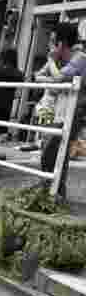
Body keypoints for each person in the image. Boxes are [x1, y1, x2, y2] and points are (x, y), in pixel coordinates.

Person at [36, 23, 86, 180]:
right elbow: (38, 76)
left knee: (53, 153)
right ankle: (53, 191)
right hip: (61, 111)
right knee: (54, 153)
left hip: (75, 113)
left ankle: (52, 190)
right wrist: (53, 72)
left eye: (52, 41)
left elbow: (58, 79)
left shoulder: (80, 58)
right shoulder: (61, 59)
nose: (49, 45)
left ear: (61, 43)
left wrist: (51, 61)